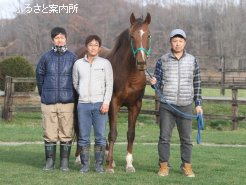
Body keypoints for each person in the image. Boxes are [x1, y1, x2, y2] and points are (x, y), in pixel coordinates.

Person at [149, 29, 203, 177]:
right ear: (171, 43)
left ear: (185, 42)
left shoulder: (192, 60)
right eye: (175, 41)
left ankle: (186, 166)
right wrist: (154, 83)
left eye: (180, 41)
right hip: (167, 104)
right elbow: (157, 83)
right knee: (164, 137)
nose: (177, 44)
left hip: (186, 105)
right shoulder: (163, 60)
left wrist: (198, 104)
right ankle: (164, 166)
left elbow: (197, 83)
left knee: (186, 139)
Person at [36, 27, 77, 171]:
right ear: (52, 40)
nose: (59, 40)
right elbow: (39, 77)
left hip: (67, 101)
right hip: (49, 102)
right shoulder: (45, 57)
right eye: (57, 38)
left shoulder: (72, 58)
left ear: (66, 39)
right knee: (49, 132)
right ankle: (50, 162)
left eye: (62, 37)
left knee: (66, 132)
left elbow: (76, 79)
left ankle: (64, 162)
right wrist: (45, 94)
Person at [72, 35, 113, 173]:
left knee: (100, 137)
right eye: (90, 45)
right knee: (83, 137)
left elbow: (110, 85)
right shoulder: (78, 64)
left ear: (99, 48)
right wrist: (83, 93)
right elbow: (75, 82)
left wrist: (106, 102)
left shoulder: (105, 64)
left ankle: (98, 165)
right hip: (83, 105)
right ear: (86, 47)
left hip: (100, 105)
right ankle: (84, 165)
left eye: (96, 45)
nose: (93, 47)